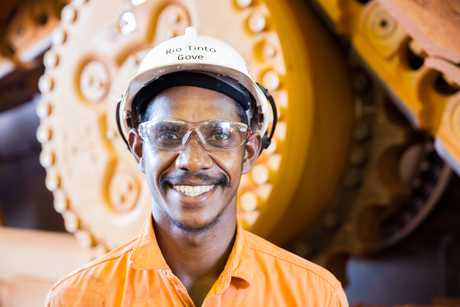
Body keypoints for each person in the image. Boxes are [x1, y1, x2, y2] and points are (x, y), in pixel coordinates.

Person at [45, 27, 349, 307]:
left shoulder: (313, 296)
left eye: (219, 134)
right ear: (139, 149)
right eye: (167, 134)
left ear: (250, 151)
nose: (191, 160)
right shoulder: (77, 299)